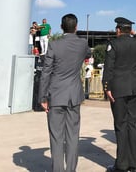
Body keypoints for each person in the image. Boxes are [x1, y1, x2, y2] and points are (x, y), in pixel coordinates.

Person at [38, 13, 89, 172]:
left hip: (56, 95)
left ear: (61, 27)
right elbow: (88, 54)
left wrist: (42, 97)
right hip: (74, 96)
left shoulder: (54, 45)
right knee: (73, 137)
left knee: (56, 137)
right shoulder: (82, 44)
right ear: (76, 27)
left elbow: (46, 72)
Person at [102, 17, 136, 172]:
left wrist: (106, 86)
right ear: (130, 30)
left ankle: (121, 165)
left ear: (118, 30)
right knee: (133, 125)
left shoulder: (113, 44)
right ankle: (134, 165)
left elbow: (108, 67)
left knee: (121, 125)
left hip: (118, 89)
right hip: (135, 88)